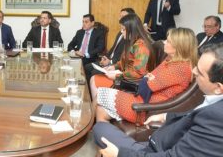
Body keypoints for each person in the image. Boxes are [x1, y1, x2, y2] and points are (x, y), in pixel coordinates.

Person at [93, 43, 223, 157]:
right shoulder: (213, 103)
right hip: (157, 139)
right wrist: (166, 116)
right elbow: (191, 114)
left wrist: (119, 154)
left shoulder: (216, 118)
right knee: (101, 124)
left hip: (154, 150)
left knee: (100, 128)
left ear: (218, 88)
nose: (193, 71)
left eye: (199, 72)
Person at [96, 28, 198, 124]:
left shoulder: (180, 68)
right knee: (100, 110)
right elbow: (149, 78)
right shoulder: (170, 60)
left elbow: (146, 85)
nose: (164, 42)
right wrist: (148, 79)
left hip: (146, 109)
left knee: (98, 94)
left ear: (179, 47)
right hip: (144, 100)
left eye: (168, 41)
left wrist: (148, 80)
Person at [90, 14, 155, 101]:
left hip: (132, 85)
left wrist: (117, 76)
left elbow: (138, 73)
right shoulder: (132, 42)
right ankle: (100, 107)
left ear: (132, 30)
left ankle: (102, 108)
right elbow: (124, 62)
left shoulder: (141, 47)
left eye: (123, 29)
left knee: (94, 81)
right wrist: (114, 67)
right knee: (94, 79)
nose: (121, 32)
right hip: (126, 79)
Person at [84, 8, 135, 78]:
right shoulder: (120, 33)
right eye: (120, 16)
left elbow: (123, 57)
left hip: (115, 63)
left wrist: (110, 62)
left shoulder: (129, 36)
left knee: (94, 72)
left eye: (123, 16)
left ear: (130, 19)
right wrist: (105, 58)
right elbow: (113, 48)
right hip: (110, 61)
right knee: (87, 67)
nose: (119, 18)